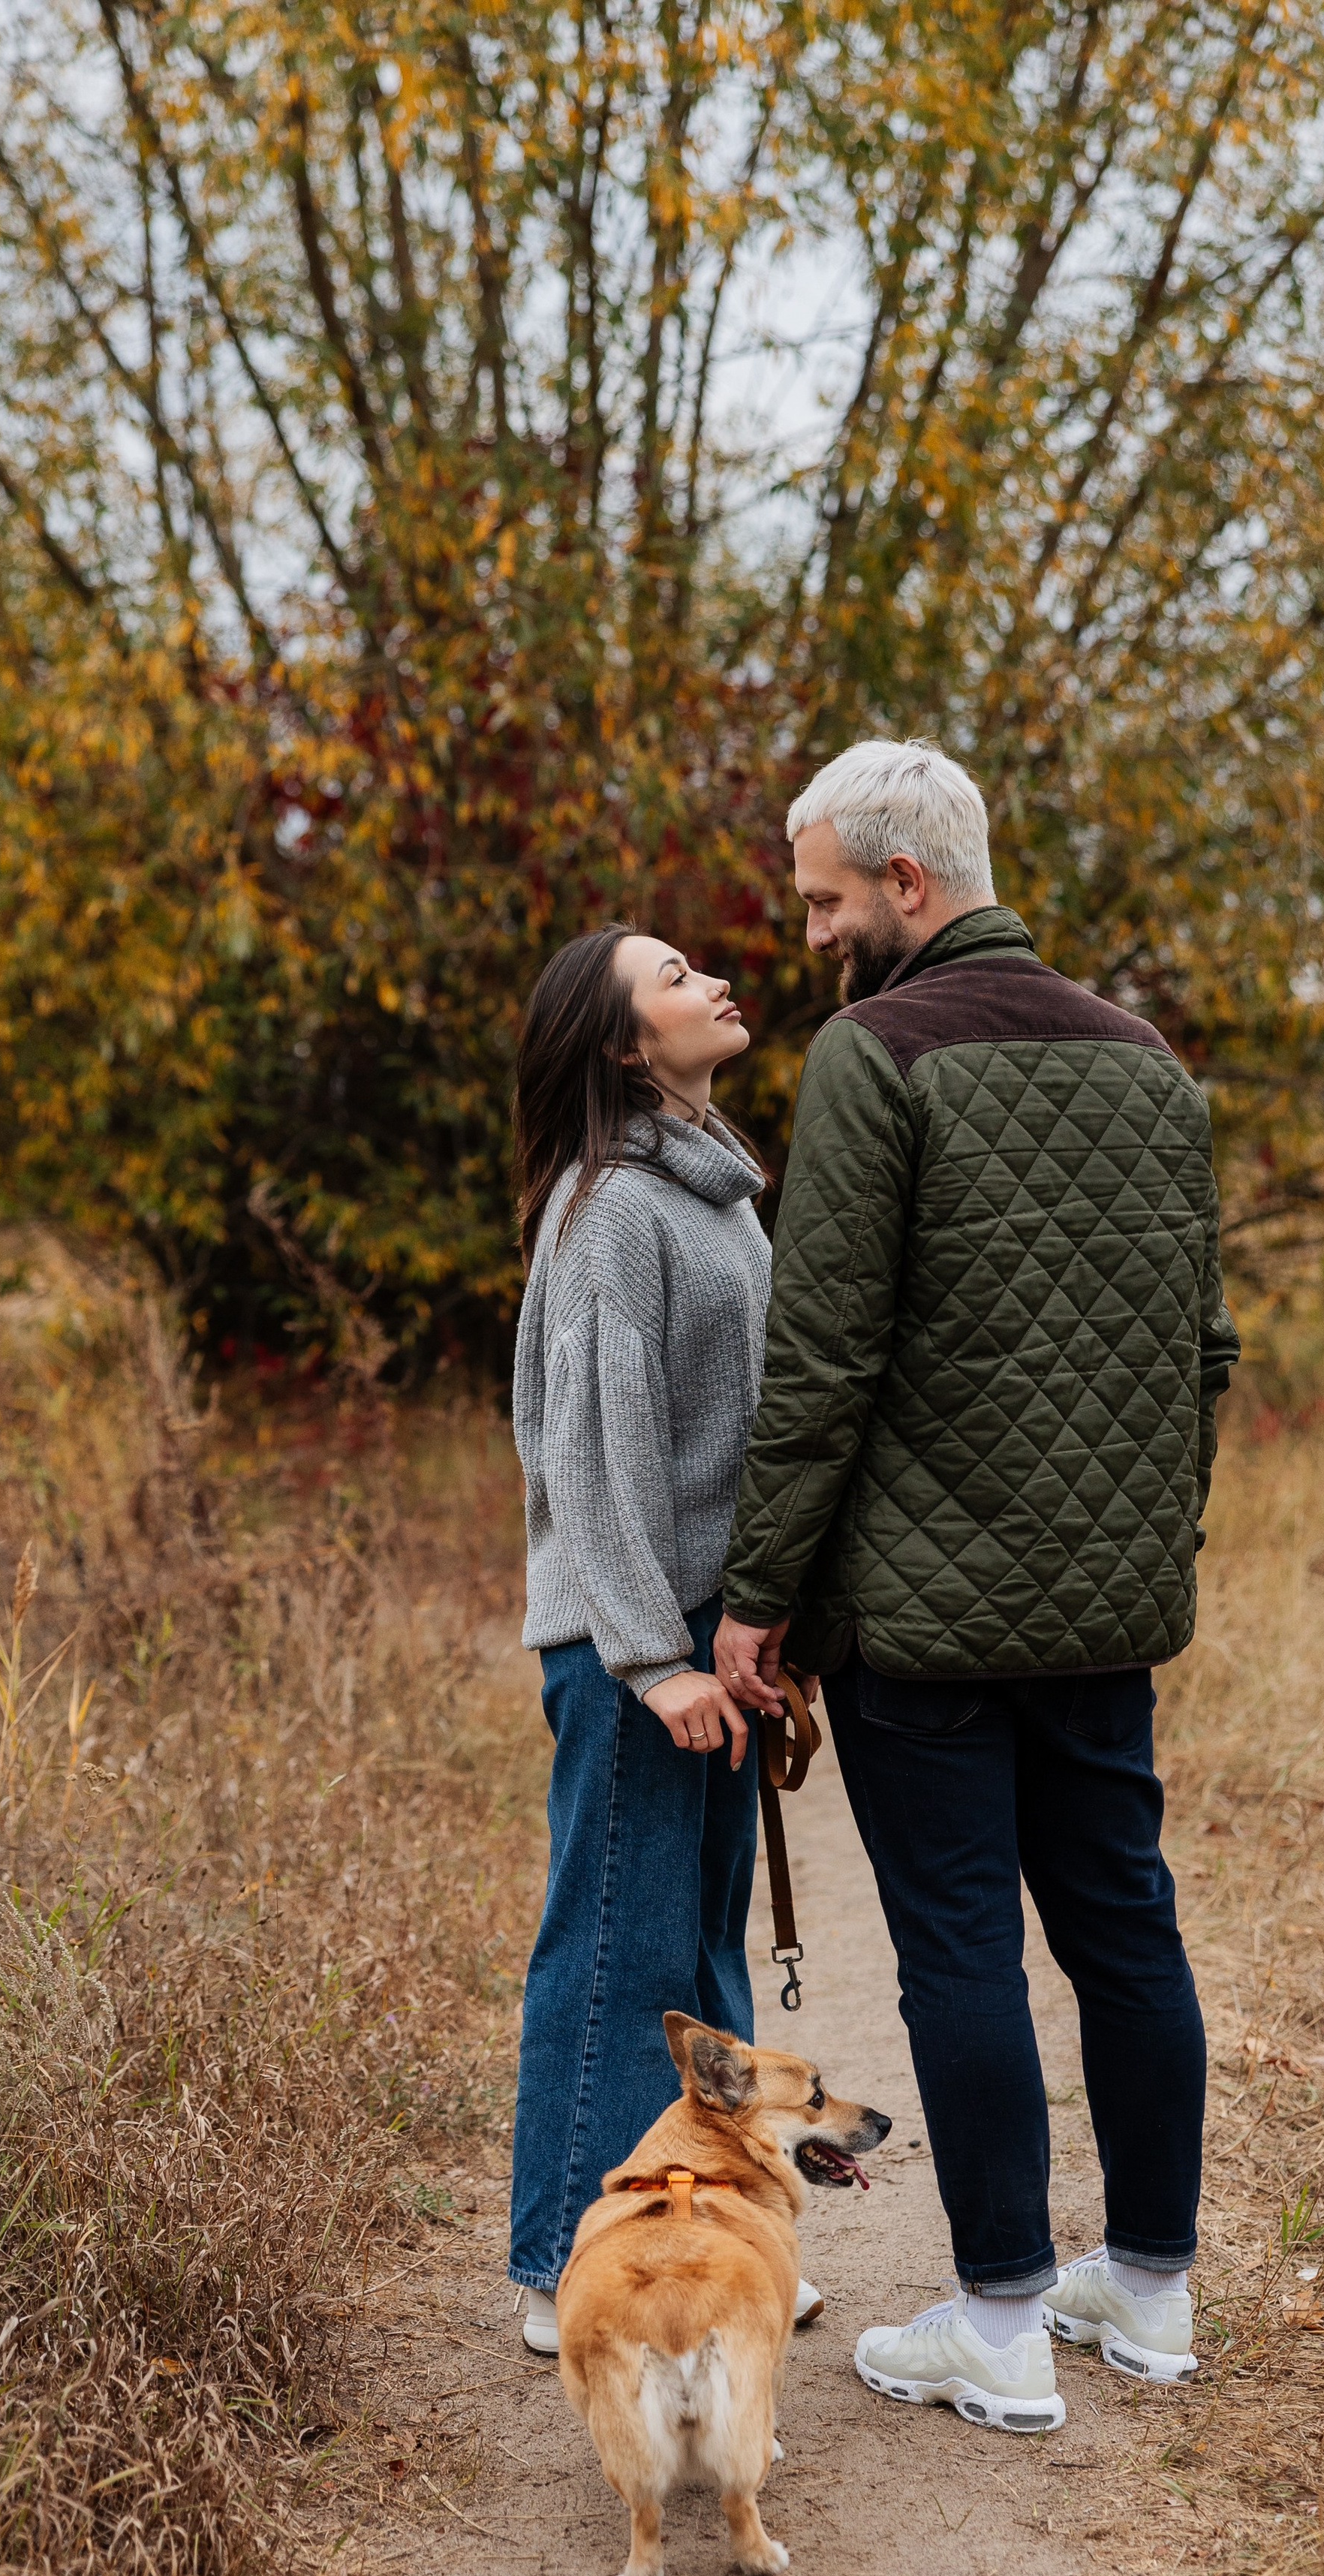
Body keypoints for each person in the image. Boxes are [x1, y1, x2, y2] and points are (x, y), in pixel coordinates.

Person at [716, 740, 1238, 2436]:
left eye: (820, 898)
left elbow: (824, 1358)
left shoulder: (875, 1057)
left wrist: (756, 1597)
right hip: (1103, 1608)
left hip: (924, 1622)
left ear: (905, 886)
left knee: (957, 1946)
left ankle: (1002, 2322)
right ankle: (1148, 2296)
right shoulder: (1145, 1060)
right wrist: (1154, 1540)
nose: (808, 933)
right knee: (1122, 1926)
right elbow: (1200, 1348)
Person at [507, 923, 822, 2355]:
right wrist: (653, 1655)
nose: (713, 983)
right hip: (638, 1641)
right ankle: (559, 2262)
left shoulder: (715, 1193)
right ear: (631, 1047)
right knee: (620, 1953)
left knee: (699, 1959)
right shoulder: (612, 1210)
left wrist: (759, 1624)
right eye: (676, 979)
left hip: (708, 1630)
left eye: (701, 966)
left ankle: (710, 2234)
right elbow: (590, 1455)